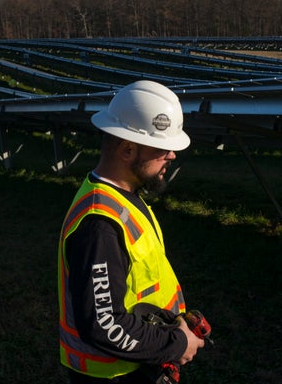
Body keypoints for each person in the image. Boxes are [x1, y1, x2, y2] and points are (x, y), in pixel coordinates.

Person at [58, 80, 205, 383]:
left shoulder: (125, 199)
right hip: (115, 374)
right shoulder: (100, 225)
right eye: (163, 148)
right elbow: (103, 324)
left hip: (137, 363)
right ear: (127, 150)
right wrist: (175, 344)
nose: (172, 156)